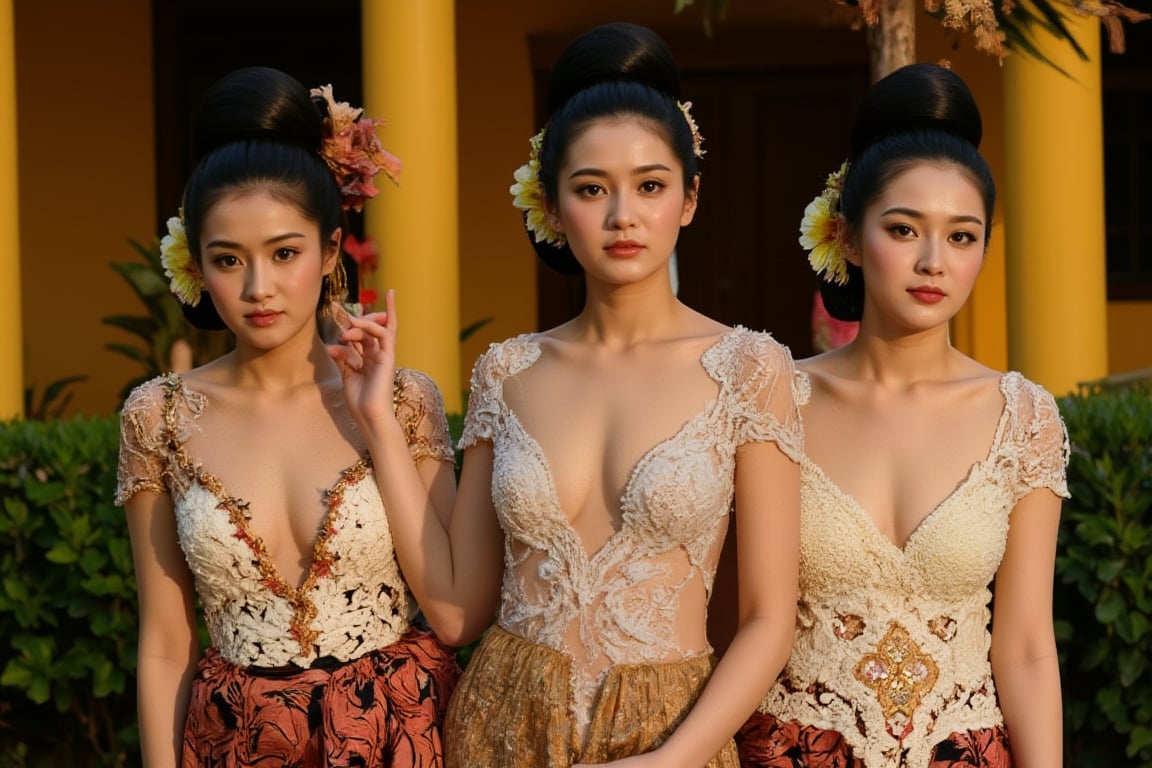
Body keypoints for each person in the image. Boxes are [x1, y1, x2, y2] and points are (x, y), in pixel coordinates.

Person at [328, 22, 804, 768]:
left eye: (650, 185)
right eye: (592, 189)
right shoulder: (507, 371)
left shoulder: (751, 368)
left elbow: (771, 618)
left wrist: (671, 760)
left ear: (689, 198)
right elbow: (456, 611)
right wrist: (377, 423)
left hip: (671, 734)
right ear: (551, 206)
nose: (623, 216)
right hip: (502, 724)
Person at [116, 66, 460, 767]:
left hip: (398, 736)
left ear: (331, 250)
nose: (257, 288)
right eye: (227, 260)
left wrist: (379, 424)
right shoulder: (158, 416)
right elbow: (163, 642)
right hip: (235, 742)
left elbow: (451, 612)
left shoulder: (403, 401)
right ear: (197, 268)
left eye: (284, 253)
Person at [736, 63, 1069, 767]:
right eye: (903, 229)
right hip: (792, 752)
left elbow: (1029, 648)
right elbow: (731, 619)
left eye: (961, 236)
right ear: (849, 239)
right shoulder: (773, 401)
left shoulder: (1024, 418)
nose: (932, 262)